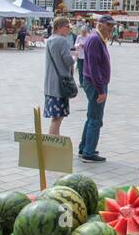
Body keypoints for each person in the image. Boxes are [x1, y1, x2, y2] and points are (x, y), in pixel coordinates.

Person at [79, 15, 113, 162]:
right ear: (100, 25)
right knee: (96, 119)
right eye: (109, 25)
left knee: (91, 117)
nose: (111, 28)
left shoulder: (97, 38)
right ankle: (89, 152)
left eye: (112, 25)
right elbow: (93, 67)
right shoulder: (95, 39)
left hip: (94, 83)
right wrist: (100, 90)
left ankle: (84, 147)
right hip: (95, 84)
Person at [43, 16, 76, 136]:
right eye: (67, 27)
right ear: (59, 27)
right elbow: (68, 61)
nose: (69, 30)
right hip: (60, 85)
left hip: (49, 85)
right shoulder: (62, 41)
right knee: (58, 118)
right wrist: (74, 57)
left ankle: (54, 140)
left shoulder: (50, 39)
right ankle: (52, 141)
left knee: (55, 118)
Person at [73, 22, 91, 89]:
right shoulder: (79, 37)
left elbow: (90, 45)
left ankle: (86, 83)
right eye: (82, 32)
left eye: (84, 32)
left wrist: (85, 46)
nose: (83, 33)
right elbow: (75, 45)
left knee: (86, 71)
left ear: (86, 31)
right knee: (80, 70)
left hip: (86, 57)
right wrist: (79, 45)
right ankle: (81, 83)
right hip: (80, 56)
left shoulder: (89, 37)